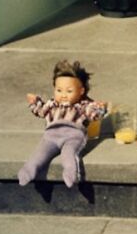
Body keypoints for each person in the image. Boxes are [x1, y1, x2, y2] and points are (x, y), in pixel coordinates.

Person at [18, 59, 107, 188]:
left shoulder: (82, 105)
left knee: (69, 154)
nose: (63, 95)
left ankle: (71, 174)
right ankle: (28, 171)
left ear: (81, 91)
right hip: (51, 136)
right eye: (59, 90)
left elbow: (93, 114)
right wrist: (35, 102)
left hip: (73, 136)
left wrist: (100, 108)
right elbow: (41, 111)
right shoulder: (52, 104)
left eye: (69, 91)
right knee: (39, 154)